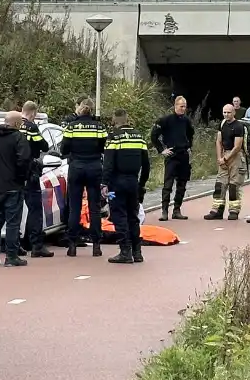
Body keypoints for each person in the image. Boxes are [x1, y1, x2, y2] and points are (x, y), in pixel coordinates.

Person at [101, 109, 151, 264]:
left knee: (118, 215)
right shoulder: (139, 137)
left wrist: (104, 184)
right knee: (133, 216)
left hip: (116, 185)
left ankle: (125, 251)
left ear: (114, 121)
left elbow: (108, 163)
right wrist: (141, 184)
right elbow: (147, 165)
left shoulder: (114, 137)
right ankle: (137, 252)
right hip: (133, 184)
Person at [60, 97, 108, 257]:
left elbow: (64, 148)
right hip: (94, 167)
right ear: (92, 109)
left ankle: (72, 245)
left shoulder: (71, 127)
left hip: (76, 167)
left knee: (75, 207)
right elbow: (104, 147)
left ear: (80, 108)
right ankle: (96, 245)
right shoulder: (99, 127)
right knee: (95, 207)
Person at [0, 111, 33, 267]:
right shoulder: (18, 137)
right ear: (18, 124)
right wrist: (22, 178)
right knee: (13, 222)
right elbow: (24, 160)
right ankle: (11, 256)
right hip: (13, 185)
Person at [150, 95, 194, 221]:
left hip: (183, 155)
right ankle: (164, 211)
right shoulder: (166, 120)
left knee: (182, 184)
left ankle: (177, 210)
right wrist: (161, 150)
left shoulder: (186, 121)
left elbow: (191, 134)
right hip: (172, 155)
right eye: (181, 106)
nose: (183, 109)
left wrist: (190, 147)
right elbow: (154, 135)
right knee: (168, 184)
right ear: (175, 106)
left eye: (185, 106)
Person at [20, 101, 54, 258]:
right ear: (33, 113)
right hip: (30, 173)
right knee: (35, 210)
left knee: (15, 210)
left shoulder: (12, 125)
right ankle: (36, 245)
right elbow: (45, 146)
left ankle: (18, 244)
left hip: (13, 174)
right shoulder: (32, 128)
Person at [205, 104, 246, 221]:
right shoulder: (222, 124)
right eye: (224, 112)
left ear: (234, 113)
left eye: (228, 112)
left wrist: (226, 159)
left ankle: (234, 211)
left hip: (235, 157)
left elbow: (237, 146)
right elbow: (218, 141)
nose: (226, 115)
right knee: (220, 185)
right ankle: (216, 210)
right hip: (224, 155)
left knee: (234, 186)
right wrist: (219, 158)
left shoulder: (238, 126)